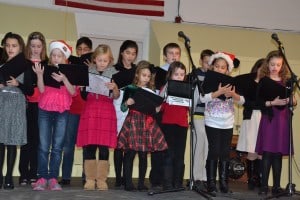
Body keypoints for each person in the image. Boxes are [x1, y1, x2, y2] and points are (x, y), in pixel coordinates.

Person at [117, 60, 168, 191]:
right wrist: (127, 102)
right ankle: (128, 183)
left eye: (148, 76)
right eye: (143, 75)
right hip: (133, 121)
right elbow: (123, 108)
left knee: (144, 154)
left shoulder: (151, 91)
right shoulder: (131, 88)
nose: (146, 78)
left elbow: (155, 110)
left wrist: (160, 105)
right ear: (137, 75)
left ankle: (141, 183)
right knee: (130, 153)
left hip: (146, 123)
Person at [32, 40, 75, 191]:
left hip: (62, 111)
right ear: (50, 57)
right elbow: (42, 90)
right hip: (44, 109)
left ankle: (53, 178)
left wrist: (64, 79)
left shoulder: (69, 72)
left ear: (65, 59)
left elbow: (73, 92)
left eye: (60, 56)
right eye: (54, 55)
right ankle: (42, 177)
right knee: (44, 146)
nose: (56, 58)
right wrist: (39, 75)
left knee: (57, 147)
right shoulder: (46, 69)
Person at [200, 52, 245, 194]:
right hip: (212, 120)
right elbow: (202, 99)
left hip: (228, 122)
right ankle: (211, 183)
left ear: (227, 69)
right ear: (213, 67)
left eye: (223, 67)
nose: (220, 69)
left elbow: (243, 101)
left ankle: (224, 183)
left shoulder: (232, 83)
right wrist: (218, 92)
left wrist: (233, 95)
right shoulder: (208, 80)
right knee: (214, 151)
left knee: (225, 152)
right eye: (217, 67)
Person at [76, 44, 119, 191]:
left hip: (106, 112)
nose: (102, 63)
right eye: (99, 60)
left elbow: (116, 96)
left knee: (104, 148)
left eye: (105, 60)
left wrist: (114, 89)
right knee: (89, 147)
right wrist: (82, 87)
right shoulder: (87, 72)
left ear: (110, 61)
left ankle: (101, 180)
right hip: (91, 111)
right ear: (94, 60)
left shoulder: (114, 74)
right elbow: (83, 95)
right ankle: (89, 179)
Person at [255, 50, 297, 196]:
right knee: (267, 152)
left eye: (278, 65)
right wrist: (273, 102)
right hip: (269, 119)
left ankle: (276, 186)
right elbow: (258, 102)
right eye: (272, 64)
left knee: (278, 154)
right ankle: (264, 186)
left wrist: (292, 100)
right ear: (268, 64)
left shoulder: (286, 82)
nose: (275, 67)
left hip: (282, 120)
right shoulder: (264, 80)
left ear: (282, 66)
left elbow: (293, 100)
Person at [0, 32, 34, 190]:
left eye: (13, 46)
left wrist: (17, 83)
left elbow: (30, 90)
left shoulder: (26, 64)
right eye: (7, 45)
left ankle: (8, 178)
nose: (10, 48)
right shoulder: (1, 62)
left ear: (20, 47)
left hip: (16, 105)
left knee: (12, 142)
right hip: (1, 102)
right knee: (0, 142)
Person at [59, 36, 93, 186]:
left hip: (87, 109)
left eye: (85, 49)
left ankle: (87, 176)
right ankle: (66, 176)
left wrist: (91, 68)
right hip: (72, 108)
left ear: (90, 51)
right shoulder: (70, 64)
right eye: (79, 49)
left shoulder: (94, 66)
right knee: (68, 144)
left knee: (87, 144)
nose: (82, 52)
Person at [149, 42, 181, 189]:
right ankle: (157, 178)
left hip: (175, 116)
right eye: (171, 53)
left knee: (173, 149)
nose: (174, 56)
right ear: (165, 56)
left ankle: (172, 179)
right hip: (161, 113)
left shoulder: (182, 74)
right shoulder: (159, 72)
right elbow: (155, 93)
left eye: (177, 53)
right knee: (159, 147)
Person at [19, 31, 48, 187]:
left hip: (42, 106)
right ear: (28, 47)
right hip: (26, 104)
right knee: (26, 140)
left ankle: (33, 173)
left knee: (38, 141)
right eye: (33, 46)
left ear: (42, 47)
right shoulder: (23, 63)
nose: (35, 49)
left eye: (38, 46)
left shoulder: (47, 63)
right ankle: (23, 173)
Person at [112, 40, 138, 188]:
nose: (130, 56)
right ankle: (118, 177)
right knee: (118, 144)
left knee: (129, 143)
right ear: (122, 52)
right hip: (117, 106)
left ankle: (126, 176)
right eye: (128, 52)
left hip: (132, 106)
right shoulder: (114, 69)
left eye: (133, 54)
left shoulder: (136, 70)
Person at [159, 61, 189, 191]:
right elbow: (160, 103)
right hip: (168, 124)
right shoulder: (166, 86)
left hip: (182, 124)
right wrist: (166, 88)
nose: (179, 77)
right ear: (170, 74)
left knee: (180, 155)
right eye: (176, 74)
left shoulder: (187, 87)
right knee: (169, 154)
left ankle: (178, 183)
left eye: (182, 74)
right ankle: (167, 183)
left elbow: (190, 106)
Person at [236, 58, 265, 190]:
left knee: (262, 151)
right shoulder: (247, 82)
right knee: (252, 148)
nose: (263, 71)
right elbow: (243, 101)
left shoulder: (268, 85)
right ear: (256, 68)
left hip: (265, 118)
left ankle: (259, 178)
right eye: (261, 68)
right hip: (252, 117)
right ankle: (251, 179)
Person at [190, 49, 214, 189]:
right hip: (198, 113)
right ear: (200, 61)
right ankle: (196, 177)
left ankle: (205, 177)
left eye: (211, 63)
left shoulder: (214, 76)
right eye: (206, 63)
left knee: (208, 146)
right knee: (198, 145)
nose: (208, 66)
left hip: (211, 116)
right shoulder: (195, 74)